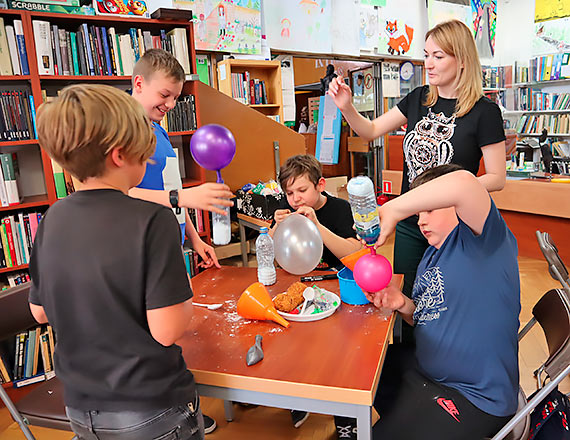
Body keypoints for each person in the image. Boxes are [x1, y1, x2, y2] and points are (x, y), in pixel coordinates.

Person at [29, 84, 205, 439]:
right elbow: (167, 329)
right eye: (146, 151)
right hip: (148, 408)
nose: (151, 159)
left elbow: (40, 312)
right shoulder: (153, 221)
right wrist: (186, 303)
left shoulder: (53, 218)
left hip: (80, 406)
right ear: (120, 155)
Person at [328, 19, 507, 324]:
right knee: (408, 298)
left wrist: (459, 189)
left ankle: (443, 362)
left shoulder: (483, 111)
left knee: (446, 303)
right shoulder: (418, 98)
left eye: (438, 56)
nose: (429, 64)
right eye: (426, 55)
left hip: (454, 226)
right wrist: (347, 107)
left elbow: (497, 177)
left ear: (462, 60)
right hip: (412, 222)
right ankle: (410, 358)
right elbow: (370, 130)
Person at [366, 164, 520, 439]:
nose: (421, 220)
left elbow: (464, 183)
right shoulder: (432, 254)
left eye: (430, 209)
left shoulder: (484, 241)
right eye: (419, 212)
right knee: (363, 372)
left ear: (456, 206)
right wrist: (401, 303)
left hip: (474, 398)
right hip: (429, 375)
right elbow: (429, 316)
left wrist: (393, 208)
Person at [129, 48, 232, 434]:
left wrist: (193, 235)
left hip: (166, 245)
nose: (170, 105)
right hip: (137, 251)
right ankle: (159, 419)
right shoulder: (121, 129)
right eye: (164, 95)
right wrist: (179, 199)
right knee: (154, 339)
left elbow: (171, 189)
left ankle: (178, 412)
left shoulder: (158, 128)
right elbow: (118, 194)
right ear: (139, 84)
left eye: (175, 97)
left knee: (172, 341)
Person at [271, 154, 361, 271]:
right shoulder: (287, 206)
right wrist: (277, 226)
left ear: (320, 185)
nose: (295, 199)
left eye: (302, 190)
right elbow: (266, 248)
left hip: (334, 275)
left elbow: (354, 252)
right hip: (299, 273)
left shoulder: (341, 208)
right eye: (289, 193)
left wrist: (316, 225)